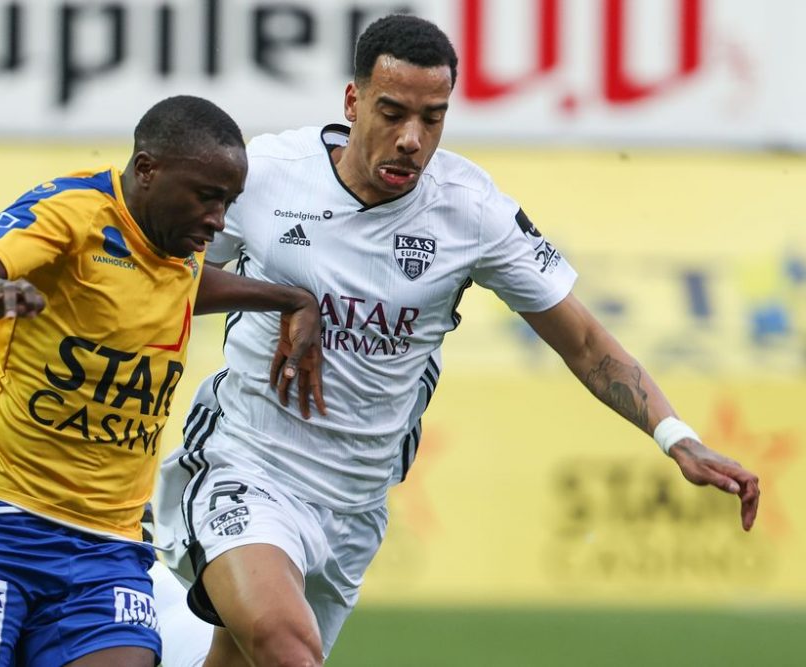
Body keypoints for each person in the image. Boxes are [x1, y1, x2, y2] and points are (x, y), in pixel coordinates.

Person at [152, 15, 762, 667]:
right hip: (248, 465)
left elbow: (584, 340)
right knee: (284, 643)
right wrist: (281, 297)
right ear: (353, 101)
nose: (411, 139)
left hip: (353, 506)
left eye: (432, 118)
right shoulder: (268, 176)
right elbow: (162, 274)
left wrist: (678, 437)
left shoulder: (473, 212)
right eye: (391, 112)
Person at [0, 95, 324, 667]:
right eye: (207, 196)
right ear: (147, 170)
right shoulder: (75, 212)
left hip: (107, 549)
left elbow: (181, 287)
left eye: (228, 202)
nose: (219, 219)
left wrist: (290, 299)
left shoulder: (178, 247)